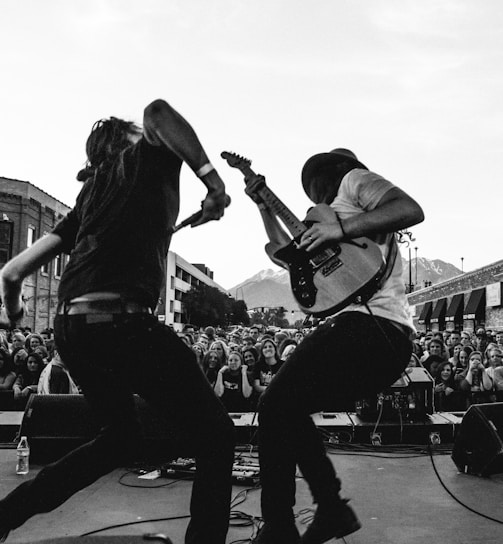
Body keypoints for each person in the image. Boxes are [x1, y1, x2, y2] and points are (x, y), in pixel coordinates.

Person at [0, 99, 234, 544]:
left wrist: (14, 312)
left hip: (73, 329)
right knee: (217, 434)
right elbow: (159, 111)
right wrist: (213, 181)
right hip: (122, 322)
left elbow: (11, 273)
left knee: (120, 439)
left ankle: (5, 515)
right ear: (128, 140)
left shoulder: (90, 197)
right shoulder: (145, 155)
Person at [243, 147, 423, 543]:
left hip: (373, 328)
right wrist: (263, 206)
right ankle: (330, 510)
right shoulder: (328, 222)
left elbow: (409, 208)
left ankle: (283, 525)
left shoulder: (354, 182)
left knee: (275, 404)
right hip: (380, 341)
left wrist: (340, 229)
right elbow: (285, 256)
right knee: (286, 408)